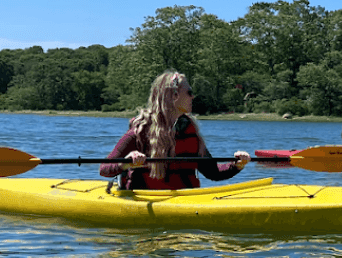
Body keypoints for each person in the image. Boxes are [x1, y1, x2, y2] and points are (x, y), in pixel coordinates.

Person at [100, 71, 251, 190]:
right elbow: (104, 168)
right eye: (189, 92)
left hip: (183, 200)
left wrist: (236, 164)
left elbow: (214, 172)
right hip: (144, 200)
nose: (193, 97)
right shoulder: (140, 132)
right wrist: (126, 163)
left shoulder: (190, 132)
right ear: (174, 95)